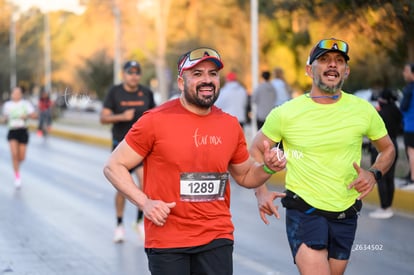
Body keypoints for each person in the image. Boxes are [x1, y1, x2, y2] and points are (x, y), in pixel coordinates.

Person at [103, 47, 286, 275]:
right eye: (197, 74)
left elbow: (246, 175)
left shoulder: (230, 125)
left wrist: (268, 167)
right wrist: (145, 203)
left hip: (217, 235)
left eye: (212, 74)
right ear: (181, 82)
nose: (207, 80)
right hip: (168, 240)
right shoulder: (155, 121)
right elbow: (114, 166)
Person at [250, 38, 395, 275]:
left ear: (346, 71)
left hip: (345, 212)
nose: (332, 65)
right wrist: (261, 191)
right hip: (304, 210)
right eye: (324, 60)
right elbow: (255, 150)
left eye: (339, 61)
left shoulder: (363, 110)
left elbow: (388, 149)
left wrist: (374, 173)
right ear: (309, 70)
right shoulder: (286, 113)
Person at [100, 60, 156, 243]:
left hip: (143, 149)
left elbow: (155, 117)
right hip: (121, 149)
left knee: (146, 184)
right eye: (130, 73)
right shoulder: (114, 93)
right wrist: (121, 117)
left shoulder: (146, 93)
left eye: (137, 73)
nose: (134, 76)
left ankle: (139, 221)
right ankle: (119, 224)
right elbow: (103, 118)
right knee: (123, 188)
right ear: (123, 74)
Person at [368, 89, 402, 218]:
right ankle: (388, 207)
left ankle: (383, 208)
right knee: (390, 178)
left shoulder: (380, 113)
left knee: (380, 177)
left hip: (380, 146)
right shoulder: (396, 111)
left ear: (382, 100)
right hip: (393, 145)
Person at [2, 86, 37, 188]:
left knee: (21, 157)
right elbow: (4, 118)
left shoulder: (26, 105)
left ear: (21, 94)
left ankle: (16, 165)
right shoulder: (7, 105)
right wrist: (5, 119)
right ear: (11, 94)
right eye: (14, 93)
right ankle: (17, 176)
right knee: (14, 154)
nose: (15, 95)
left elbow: (35, 115)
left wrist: (27, 116)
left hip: (23, 131)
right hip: (12, 131)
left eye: (18, 93)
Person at [400, 63, 414, 189]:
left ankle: (412, 179)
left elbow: (403, 106)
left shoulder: (409, 88)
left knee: (411, 152)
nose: (404, 73)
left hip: (410, 126)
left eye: (406, 71)